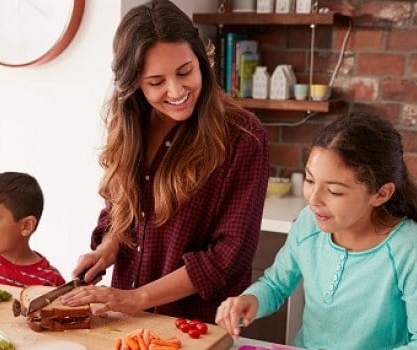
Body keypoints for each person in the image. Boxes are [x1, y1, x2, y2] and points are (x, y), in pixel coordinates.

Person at [61, 0, 269, 324]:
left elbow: (228, 256)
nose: (176, 90)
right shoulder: (130, 124)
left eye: (185, 71)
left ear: (200, 60)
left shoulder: (243, 136)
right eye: (156, 82)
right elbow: (120, 209)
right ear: (134, 83)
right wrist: (107, 248)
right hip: (125, 322)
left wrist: (137, 297)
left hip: (196, 327)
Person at [215, 112, 417, 349]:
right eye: (310, 181)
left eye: (334, 191)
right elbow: (275, 284)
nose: (314, 200)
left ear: (381, 194)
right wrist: (251, 299)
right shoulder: (309, 223)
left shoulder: (410, 247)